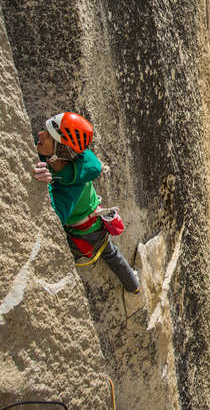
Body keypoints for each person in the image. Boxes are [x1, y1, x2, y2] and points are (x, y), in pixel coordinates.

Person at [32, 112, 140, 294]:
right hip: (91, 218)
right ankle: (134, 285)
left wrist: (47, 186)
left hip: (88, 231)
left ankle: (134, 286)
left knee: (111, 254)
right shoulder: (76, 159)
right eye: (44, 130)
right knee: (112, 254)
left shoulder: (70, 189)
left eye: (48, 136)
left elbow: (56, 216)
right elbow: (92, 162)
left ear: (60, 152)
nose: (40, 135)